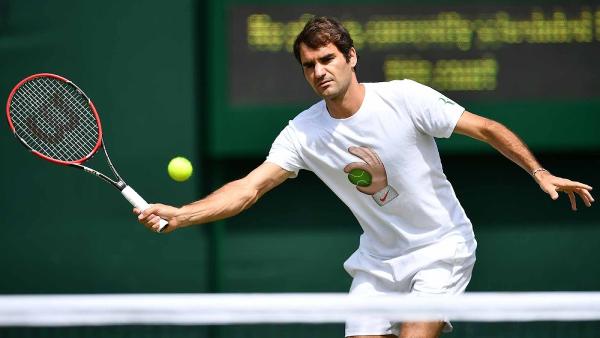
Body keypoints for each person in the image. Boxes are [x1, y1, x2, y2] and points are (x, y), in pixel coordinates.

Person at [135, 16, 594, 338]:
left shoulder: (405, 98)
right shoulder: (304, 132)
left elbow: (486, 128)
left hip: (441, 248)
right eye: (309, 65)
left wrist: (538, 171)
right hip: (377, 262)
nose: (319, 71)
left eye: (327, 59)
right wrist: (184, 215)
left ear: (351, 58)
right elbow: (250, 187)